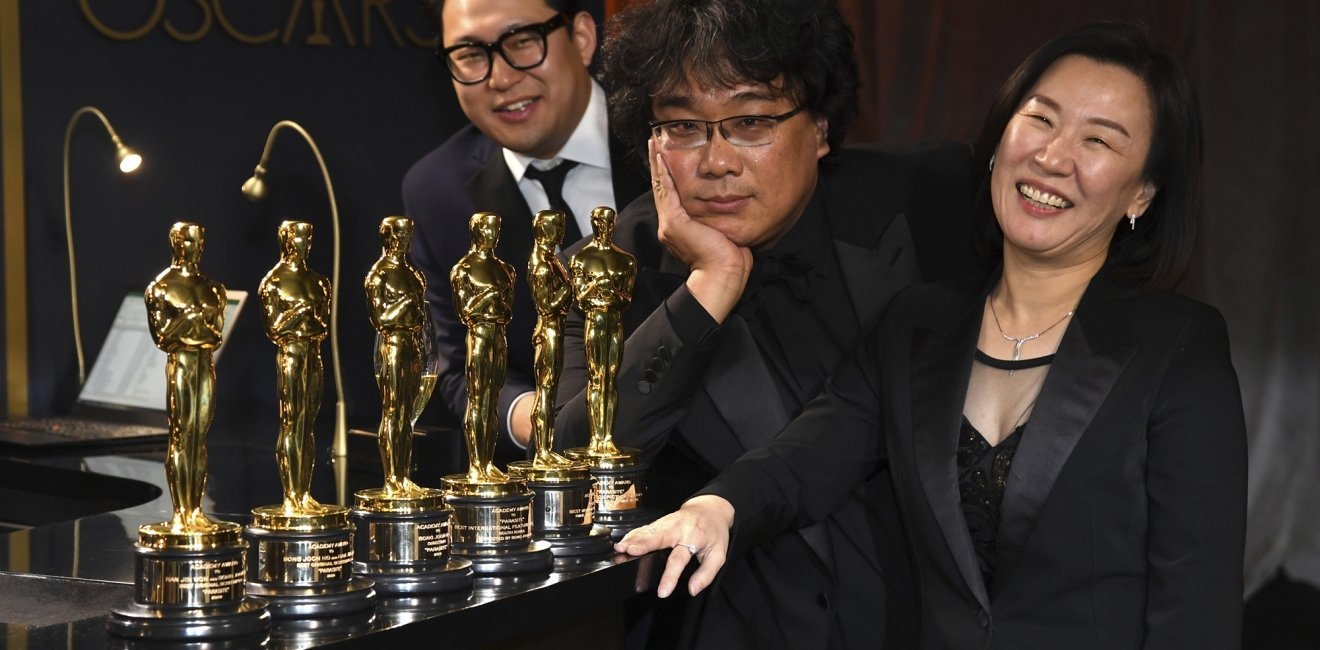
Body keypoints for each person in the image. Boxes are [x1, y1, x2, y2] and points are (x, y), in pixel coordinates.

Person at [618, 22, 1247, 649]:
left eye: (1100, 141)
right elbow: (808, 456)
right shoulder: (917, 321)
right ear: (1000, 138)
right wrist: (717, 508)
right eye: (1042, 120)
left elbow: (1196, 605)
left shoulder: (1181, 347)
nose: (1054, 158)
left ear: (1141, 193)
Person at [552, 0, 981, 646]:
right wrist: (706, 292)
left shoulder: (928, 202)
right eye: (685, 127)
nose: (716, 161)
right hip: (735, 622)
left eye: (751, 121)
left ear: (823, 126)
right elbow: (577, 460)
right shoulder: (607, 268)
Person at [402, 0, 647, 464]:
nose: (499, 77)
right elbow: (460, 369)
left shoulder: (670, 132)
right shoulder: (437, 190)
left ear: (581, 38)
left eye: (521, 43)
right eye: (471, 55)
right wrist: (551, 425)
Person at [145, 222, 228, 532]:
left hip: (204, 363)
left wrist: (191, 324)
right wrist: (194, 321)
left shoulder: (213, 288)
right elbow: (163, 337)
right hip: (180, 362)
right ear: (176, 243)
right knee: (182, 435)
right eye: (189, 241)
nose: (195, 247)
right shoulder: (162, 287)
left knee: (199, 438)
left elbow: (215, 336)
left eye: (199, 241)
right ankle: (182, 512)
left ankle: (196, 511)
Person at [258, 221, 332, 514]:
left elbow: (323, 326)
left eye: (307, 238)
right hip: (290, 353)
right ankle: (291, 494)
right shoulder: (274, 282)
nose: (303, 244)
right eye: (298, 238)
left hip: (313, 353)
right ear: (286, 241)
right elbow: (273, 328)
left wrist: (306, 320)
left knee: (308, 424)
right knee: (291, 422)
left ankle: (305, 492)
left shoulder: (319, 282)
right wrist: (302, 314)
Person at [450, 212, 517, 481]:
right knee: (478, 400)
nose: (492, 234)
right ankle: (477, 463)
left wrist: (493, 304)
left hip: (498, 336)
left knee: (492, 401)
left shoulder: (505, 269)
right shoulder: (463, 269)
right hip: (477, 336)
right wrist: (490, 297)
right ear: (476, 231)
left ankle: (488, 461)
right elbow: (464, 312)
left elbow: (508, 311)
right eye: (487, 229)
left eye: (495, 229)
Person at [365, 217, 429, 496]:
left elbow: (420, 316)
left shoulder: (415, 274)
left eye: (408, 234)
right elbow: (380, 317)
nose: (405, 240)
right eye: (400, 234)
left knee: (406, 415)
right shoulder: (379, 274)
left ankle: (403, 476)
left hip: (412, 346)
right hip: (391, 345)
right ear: (388, 237)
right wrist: (406, 304)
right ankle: (391, 477)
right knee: (392, 412)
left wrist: (410, 310)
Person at [567, 207, 636, 457]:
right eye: (599, 222)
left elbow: (627, 298)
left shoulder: (625, 259)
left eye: (607, 222)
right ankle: (596, 437)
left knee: (611, 379)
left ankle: (606, 436)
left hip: (614, 319)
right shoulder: (581, 258)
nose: (603, 226)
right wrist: (598, 285)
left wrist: (612, 292)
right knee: (596, 378)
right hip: (593, 319)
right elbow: (580, 297)